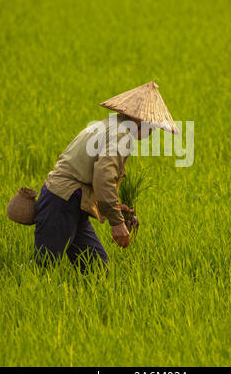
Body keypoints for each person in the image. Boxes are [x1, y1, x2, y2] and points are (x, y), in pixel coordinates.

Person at [34, 81, 178, 272]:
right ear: (140, 120)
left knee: (98, 271)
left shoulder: (109, 126)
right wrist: (117, 222)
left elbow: (89, 174)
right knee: (44, 269)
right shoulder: (122, 136)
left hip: (73, 203)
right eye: (152, 126)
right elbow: (103, 177)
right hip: (62, 202)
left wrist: (115, 207)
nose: (152, 132)